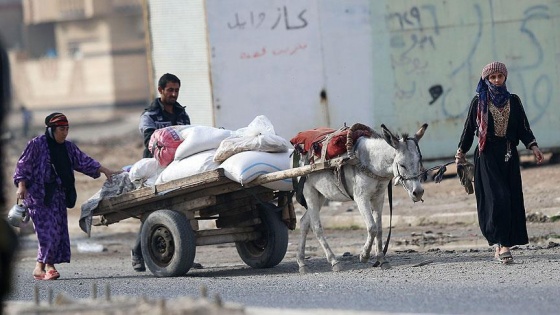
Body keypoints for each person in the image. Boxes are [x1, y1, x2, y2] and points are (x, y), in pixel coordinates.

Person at [455, 61, 544, 264]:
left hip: (509, 155)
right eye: (492, 77)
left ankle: (501, 244)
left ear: (505, 77)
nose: (496, 80)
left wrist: (534, 146)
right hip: (486, 155)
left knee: (510, 198)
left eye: (499, 76)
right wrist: (461, 151)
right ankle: (502, 244)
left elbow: (523, 128)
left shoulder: (514, 101)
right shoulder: (479, 102)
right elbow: (469, 129)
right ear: (486, 79)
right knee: (498, 198)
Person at [13, 112, 121, 280]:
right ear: (52, 129)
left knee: (57, 231)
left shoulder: (68, 147)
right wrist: (21, 185)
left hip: (58, 197)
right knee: (47, 233)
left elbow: (84, 161)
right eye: (62, 129)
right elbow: (22, 166)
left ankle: (39, 267)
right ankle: (49, 267)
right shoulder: (36, 145)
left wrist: (104, 170)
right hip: (38, 197)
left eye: (67, 129)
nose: (65, 132)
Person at [132, 73, 190, 272]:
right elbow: (150, 141)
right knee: (153, 212)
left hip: (178, 167)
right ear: (160, 90)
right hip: (155, 168)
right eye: (170, 90)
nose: (174, 94)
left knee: (183, 209)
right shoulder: (149, 116)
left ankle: (183, 254)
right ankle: (138, 253)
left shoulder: (182, 114)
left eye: (176, 90)